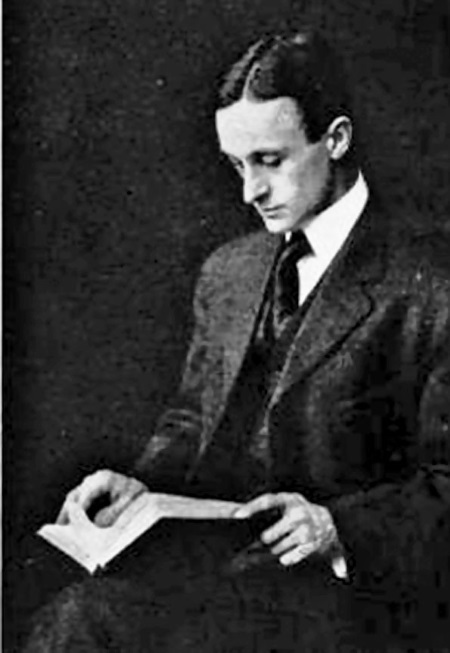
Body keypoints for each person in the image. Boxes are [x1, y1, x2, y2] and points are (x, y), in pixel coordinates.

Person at [24, 29, 450, 652]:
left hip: (347, 604)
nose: (250, 192)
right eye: (237, 166)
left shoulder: (431, 281)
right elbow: (192, 419)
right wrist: (141, 486)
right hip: (212, 577)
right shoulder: (230, 271)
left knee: (89, 623)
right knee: (56, 605)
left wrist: (338, 528)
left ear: (336, 139)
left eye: (270, 161)